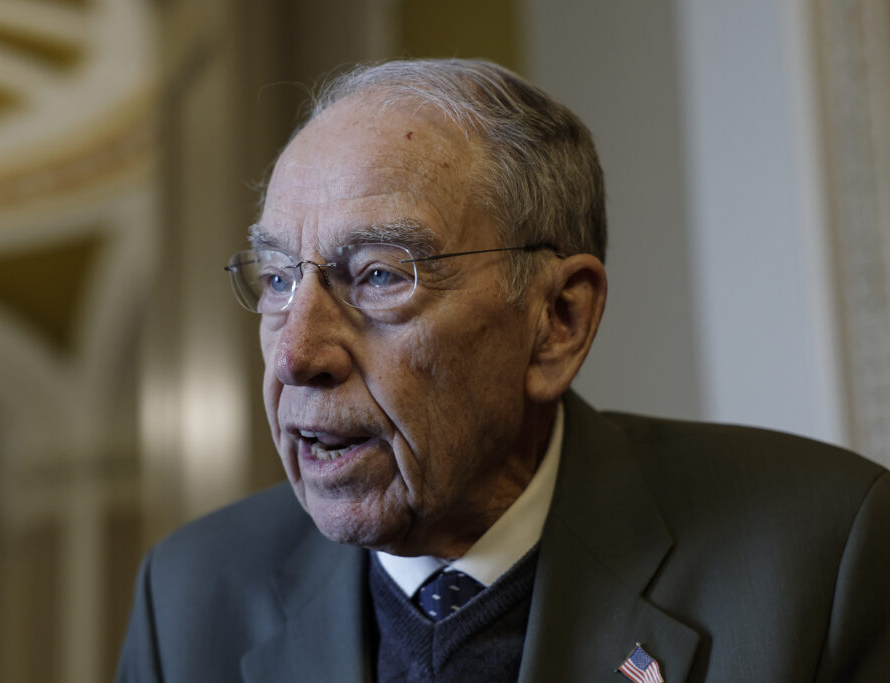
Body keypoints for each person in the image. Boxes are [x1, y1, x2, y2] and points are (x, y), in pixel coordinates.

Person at [116, 59, 889, 682]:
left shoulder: (821, 556)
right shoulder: (188, 597)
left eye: (381, 274)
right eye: (279, 279)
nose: (297, 355)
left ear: (559, 321)